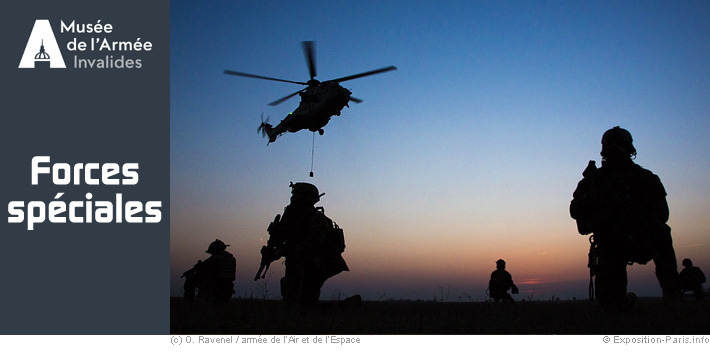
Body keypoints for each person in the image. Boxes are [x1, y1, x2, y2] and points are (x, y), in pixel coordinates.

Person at [570, 126, 681, 312]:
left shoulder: (645, 178)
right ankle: (624, 301)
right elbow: (574, 210)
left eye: (618, 146)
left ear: (629, 150)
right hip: (611, 242)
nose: (614, 150)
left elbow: (662, 213)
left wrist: (638, 215)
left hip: (641, 236)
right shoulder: (593, 181)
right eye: (610, 146)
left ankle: (673, 298)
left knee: (662, 232)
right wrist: (593, 199)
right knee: (611, 307)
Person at [258, 182, 349, 309]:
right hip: (303, 260)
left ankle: (343, 307)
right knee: (302, 301)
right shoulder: (294, 217)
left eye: (297, 195)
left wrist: (282, 251)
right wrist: (273, 248)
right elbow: (285, 238)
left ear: (308, 198)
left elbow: (311, 245)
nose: (293, 199)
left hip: (319, 262)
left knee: (304, 299)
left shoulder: (317, 219)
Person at [182, 239, 237, 304]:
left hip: (213, 285)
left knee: (190, 280)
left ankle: (188, 303)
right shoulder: (231, 258)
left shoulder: (215, 258)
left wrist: (198, 269)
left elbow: (204, 272)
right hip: (228, 285)